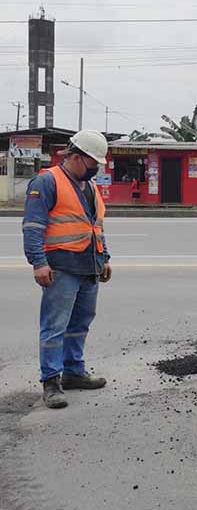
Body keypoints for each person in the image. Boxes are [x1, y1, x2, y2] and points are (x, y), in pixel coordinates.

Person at [22, 130, 112, 409]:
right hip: (61, 267)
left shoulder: (90, 185)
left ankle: (74, 372)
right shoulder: (47, 181)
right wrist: (39, 262)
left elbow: (95, 225)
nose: (95, 168)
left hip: (89, 265)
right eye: (92, 162)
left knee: (80, 323)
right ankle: (51, 381)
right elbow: (33, 227)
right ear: (74, 157)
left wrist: (104, 257)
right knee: (55, 326)